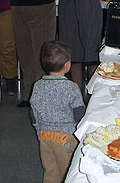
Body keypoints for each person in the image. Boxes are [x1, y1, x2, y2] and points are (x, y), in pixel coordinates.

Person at [30, 41, 85, 183]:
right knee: (68, 172)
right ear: (67, 65)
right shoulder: (71, 88)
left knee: (50, 170)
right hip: (66, 138)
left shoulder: (37, 86)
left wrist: (38, 131)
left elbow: (33, 113)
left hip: (45, 136)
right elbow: (79, 114)